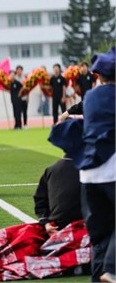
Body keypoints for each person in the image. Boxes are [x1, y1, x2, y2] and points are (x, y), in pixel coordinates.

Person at [0, 121, 91, 281]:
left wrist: (46, 223)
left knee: (14, 240)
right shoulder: (92, 169)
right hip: (80, 228)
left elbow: (40, 201)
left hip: (54, 228)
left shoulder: (52, 169)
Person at [66, 47, 115, 283]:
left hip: (88, 176)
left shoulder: (91, 97)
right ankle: (113, 269)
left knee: (99, 239)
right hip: (111, 171)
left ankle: (100, 277)